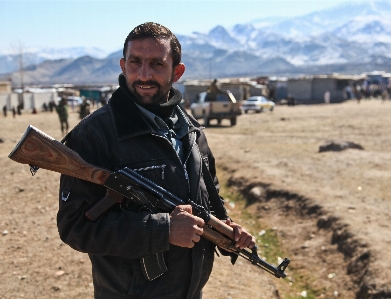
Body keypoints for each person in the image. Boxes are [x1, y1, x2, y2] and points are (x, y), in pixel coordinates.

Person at [57, 22, 255, 299]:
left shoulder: (191, 130)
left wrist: (227, 230)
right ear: (123, 66)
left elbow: (209, 198)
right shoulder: (95, 134)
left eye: (156, 64)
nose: (144, 74)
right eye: (135, 63)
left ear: (177, 72)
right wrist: (164, 230)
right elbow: (75, 227)